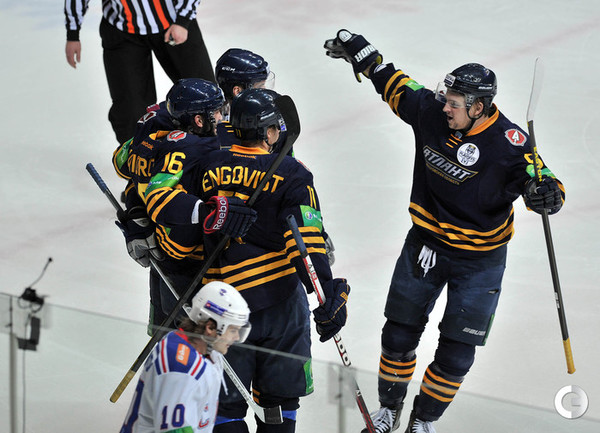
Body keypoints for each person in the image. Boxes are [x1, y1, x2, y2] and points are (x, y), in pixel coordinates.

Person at [323, 29, 565, 433]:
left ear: (479, 107)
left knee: (457, 352)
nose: (446, 108)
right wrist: (364, 56)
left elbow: (547, 183)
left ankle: (423, 420)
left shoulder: (510, 143)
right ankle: (389, 409)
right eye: (446, 99)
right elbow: (395, 84)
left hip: (480, 261)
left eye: (455, 103)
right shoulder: (432, 111)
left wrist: (546, 194)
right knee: (398, 335)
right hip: (426, 245)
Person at [143, 88, 351, 433]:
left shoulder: (205, 164)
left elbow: (162, 206)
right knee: (280, 402)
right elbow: (306, 242)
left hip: (224, 308)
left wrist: (203, 213)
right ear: (269, 132)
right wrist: (327, 294)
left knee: (224, 406)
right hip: (282, 306)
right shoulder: (294, 173)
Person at [112, 78, 256, 333]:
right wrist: (209, 212)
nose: (221, 117)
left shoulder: (153, 130)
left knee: (162, 330)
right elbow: (160, 194)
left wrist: (136, 212)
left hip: (159, 246)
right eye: (216, 113)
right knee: (188, 337)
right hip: (186, 259)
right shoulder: (193, 148)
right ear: (198, 120)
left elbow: (120, 162)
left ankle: (162, 349)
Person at [64, 0, 216, 145]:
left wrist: (183, 20)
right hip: (122, 29)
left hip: (173, 21)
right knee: (130, 110)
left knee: (206, 98)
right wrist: (72, 33)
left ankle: (213, 150)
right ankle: (139, 156)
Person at [119, 280, 251, 433]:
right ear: (210, 327)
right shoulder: (181, 367)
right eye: (233, 330)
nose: (236, 338)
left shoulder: (206, 350)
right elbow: (175, 430)